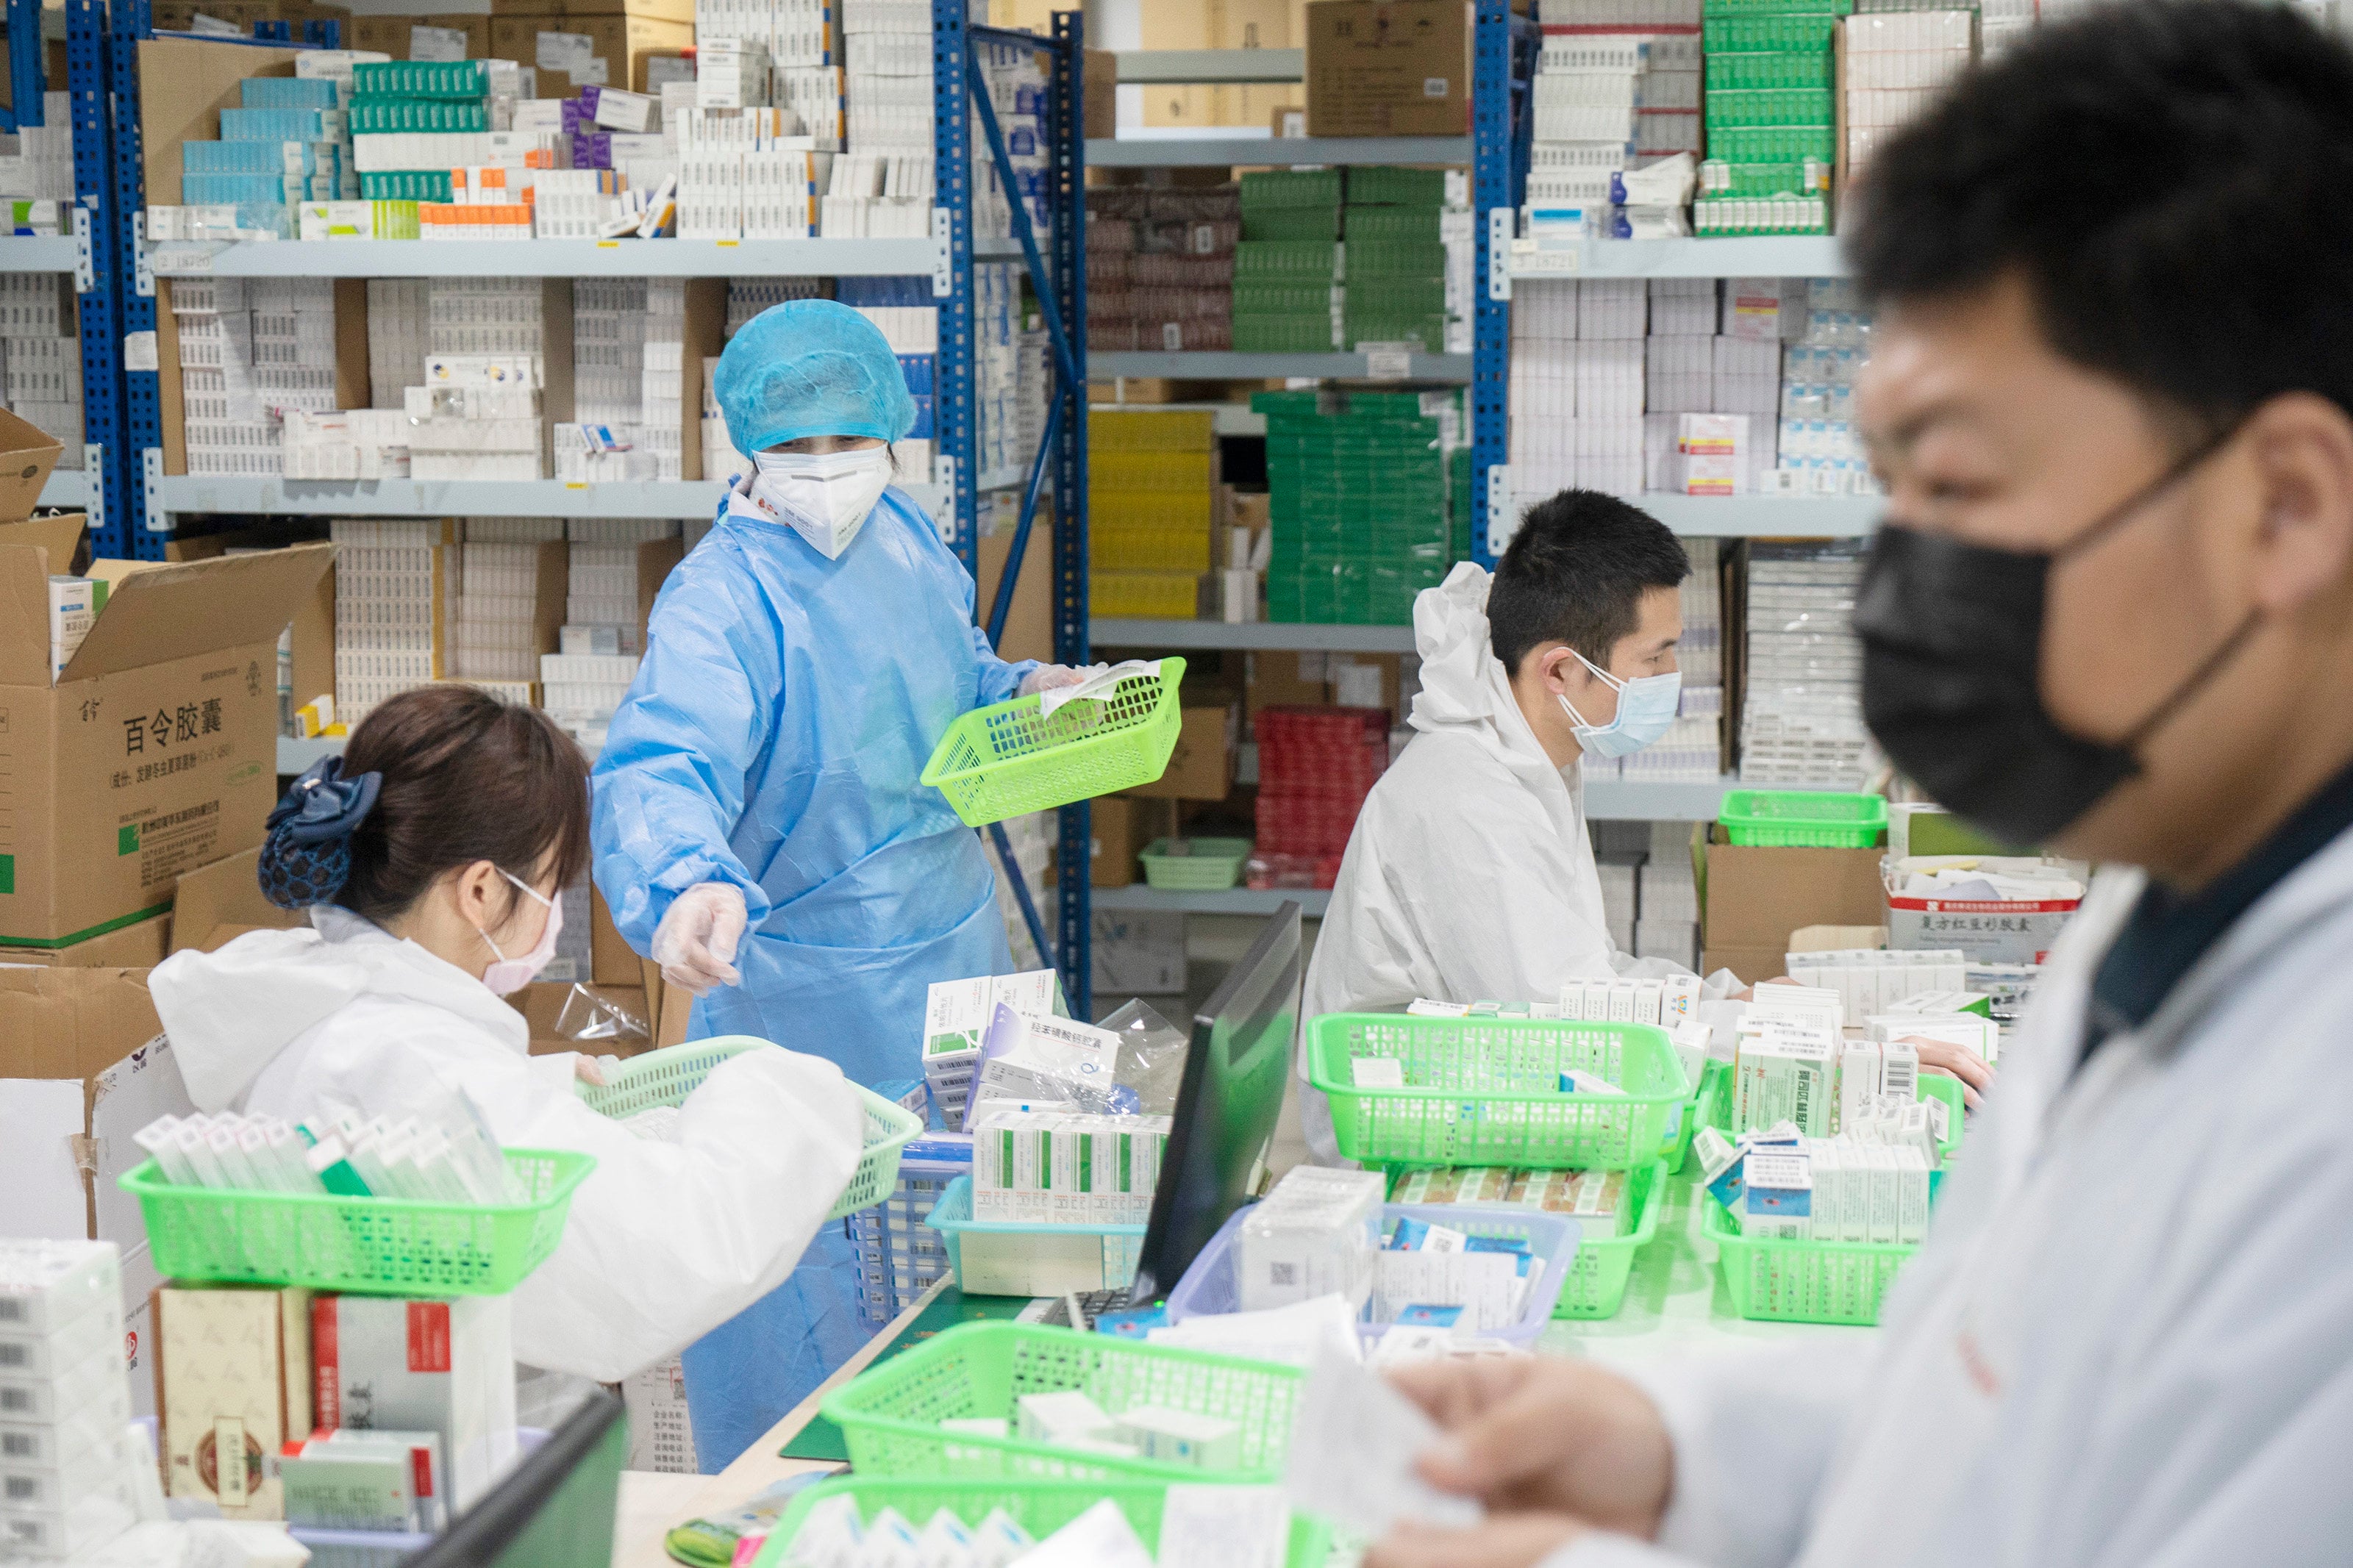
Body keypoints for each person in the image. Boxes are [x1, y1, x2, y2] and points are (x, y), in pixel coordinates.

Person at [1365, 5, 2353, 1564]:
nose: (1907, 584)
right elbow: (1989, 1399)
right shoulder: (2162, 910)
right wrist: (1688, 1457)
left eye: (1959, 486)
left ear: (2284, 505)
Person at [588, 297, 1079, 1462]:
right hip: (805, 1005)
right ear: (748, 450)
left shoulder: (907, 543)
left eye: (847, 444)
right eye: (796, 449)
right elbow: (661, 762)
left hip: (955, 965)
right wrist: (685, 884)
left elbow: (951, 683)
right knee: (814, 1318)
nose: (825, 471)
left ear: (892, 438)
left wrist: (1027, 700)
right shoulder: (722, 599)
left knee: (961, 1291)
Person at [149, 685, 865, 1390]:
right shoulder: (428, 1067)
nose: (551, 914)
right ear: (482, 891)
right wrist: (793, 1096)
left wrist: (537, 1093)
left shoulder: (311, 1005)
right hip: (447, 1453)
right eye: (550, 885)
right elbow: (671, 1249)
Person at [1299, 495, 1990, 1159]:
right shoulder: (1467, 802)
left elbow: (1586, 977)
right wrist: (1815, 1047)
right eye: (1654, 657)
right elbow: (1577, 1029)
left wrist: (1732, 1000)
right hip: (1398, 1129)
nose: (1674, 676)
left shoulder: (1528, 748)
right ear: (1562, 670)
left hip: (1489, 1069)